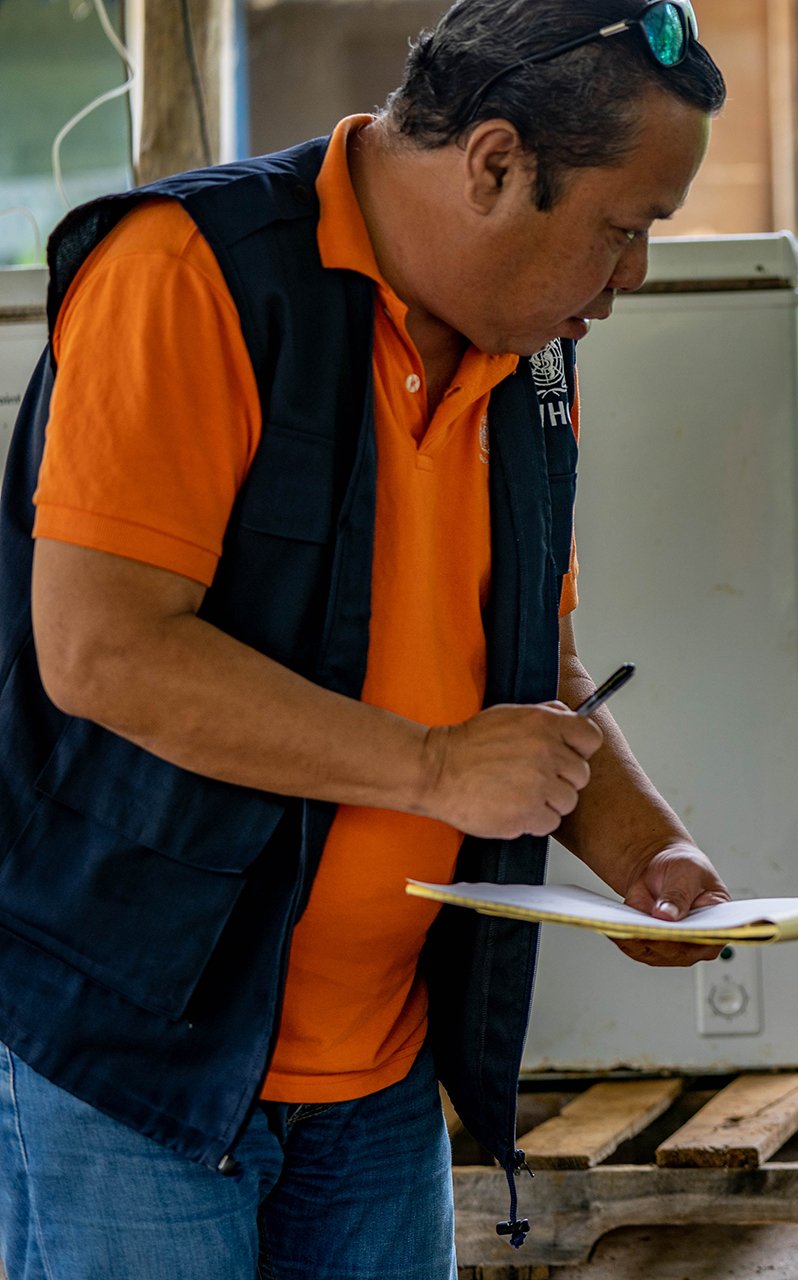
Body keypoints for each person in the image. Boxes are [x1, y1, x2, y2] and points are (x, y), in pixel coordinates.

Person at [0, 1, 730, 1275]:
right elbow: (104, 650)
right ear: (494, 163)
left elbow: (542, 674)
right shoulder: (191, 274)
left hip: (379, 1074)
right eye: (625, 228)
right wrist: (435, 767)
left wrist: (650, 852)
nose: (635, 277)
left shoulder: (528, 361)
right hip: (133, 1066)